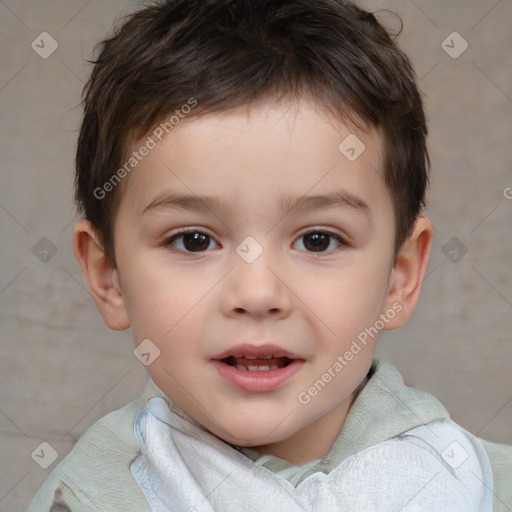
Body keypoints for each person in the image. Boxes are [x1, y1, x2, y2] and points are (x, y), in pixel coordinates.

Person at [28, 0, 512, 510]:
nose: (257, 294)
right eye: (194, 240)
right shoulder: (86, 498)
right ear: (110, 277)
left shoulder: (480, 487)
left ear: (399, 276)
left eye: (318, 240)